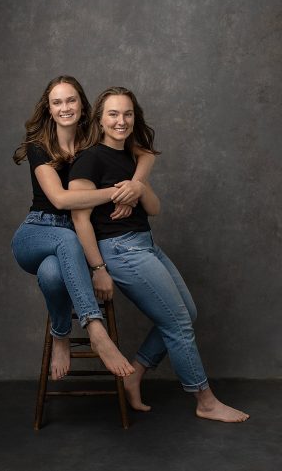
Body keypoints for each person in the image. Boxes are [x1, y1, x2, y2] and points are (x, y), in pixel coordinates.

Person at [68, 86, 249, 422]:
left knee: (187, 314)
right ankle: (205, 401)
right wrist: (98, 268)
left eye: (128, 114)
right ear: (99, 119)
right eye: (113, 114)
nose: (121, 121)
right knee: (179, 323)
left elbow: (154, 208)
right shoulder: (89, 158)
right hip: (120, 250)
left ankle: (135, 373)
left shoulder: (132, 156)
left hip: (146, 243)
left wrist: (138, 186)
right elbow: (80, 220)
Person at [11, 75, 154, 380]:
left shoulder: (92, 138)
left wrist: (134, 186)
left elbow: (144, 153)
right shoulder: (39, 146)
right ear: (49, 109)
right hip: (36, 232)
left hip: (71, 241)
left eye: (71, 100)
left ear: (82, 104)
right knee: (65, 238)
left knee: (52, 273)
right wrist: (117, 192)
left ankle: (60, 334)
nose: (65, 107)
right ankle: (96, 329)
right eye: (57, 102)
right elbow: (62, 201)